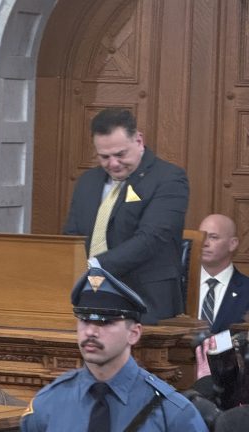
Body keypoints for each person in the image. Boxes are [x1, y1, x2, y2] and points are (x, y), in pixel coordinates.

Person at [20, 267, 207, 431]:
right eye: (85, 320)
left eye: (105, 322)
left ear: (133, 333)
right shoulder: (48, 403)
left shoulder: (172, 413)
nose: (91, 331)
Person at [63, 108, 189, 324]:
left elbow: (151, 239)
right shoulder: (88, 181)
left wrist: (93, 265)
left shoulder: (169, 179)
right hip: (87, 299)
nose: (112, 164)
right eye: (104, 156)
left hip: (144, 301)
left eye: (120, 154)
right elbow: (72, 236)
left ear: (139, 141)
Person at [197, 214, 249, 332]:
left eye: (213, 237)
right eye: (202, 236)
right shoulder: (178, 287)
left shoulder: (247, 290)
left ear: (233, 244)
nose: (205, 243)